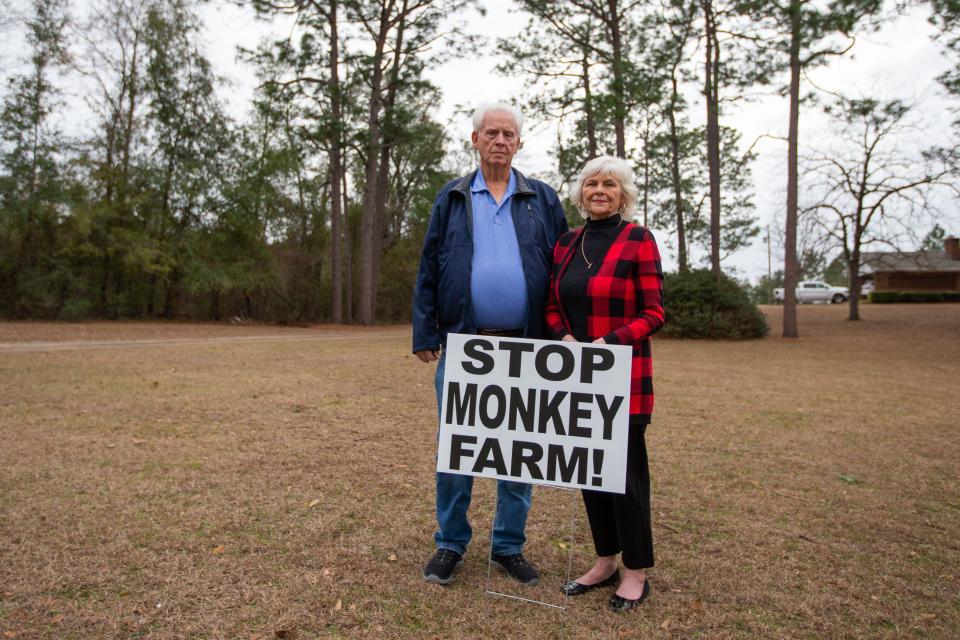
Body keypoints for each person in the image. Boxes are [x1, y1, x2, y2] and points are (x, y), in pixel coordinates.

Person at [411, 103, 569, 586]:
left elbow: (563, 271)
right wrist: (425, 330)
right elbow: (429, 265)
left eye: (509, 134)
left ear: (519, 143)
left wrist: (564, 336)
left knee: (519, 449)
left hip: (528, 347)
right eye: (491, 132)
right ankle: (451, 542)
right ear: (475, 139)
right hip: (465, 345)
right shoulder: (453, 197)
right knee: (457, 449)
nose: (501, 140)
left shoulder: (541, 198)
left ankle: (508, 546)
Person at [544, 155, 664, 612]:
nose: (599, 190)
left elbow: (654, 313)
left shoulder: (639, 240)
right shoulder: (567, 243)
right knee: (591, 474)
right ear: (580, 193)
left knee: (626, 479)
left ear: (623, 194)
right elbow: (551, 305)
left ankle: (635, 572)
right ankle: (605, 561)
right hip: (577, 377)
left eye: (609, 184)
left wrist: (606, 343)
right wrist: (566, 338)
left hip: (624, 379)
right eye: (591, 183)